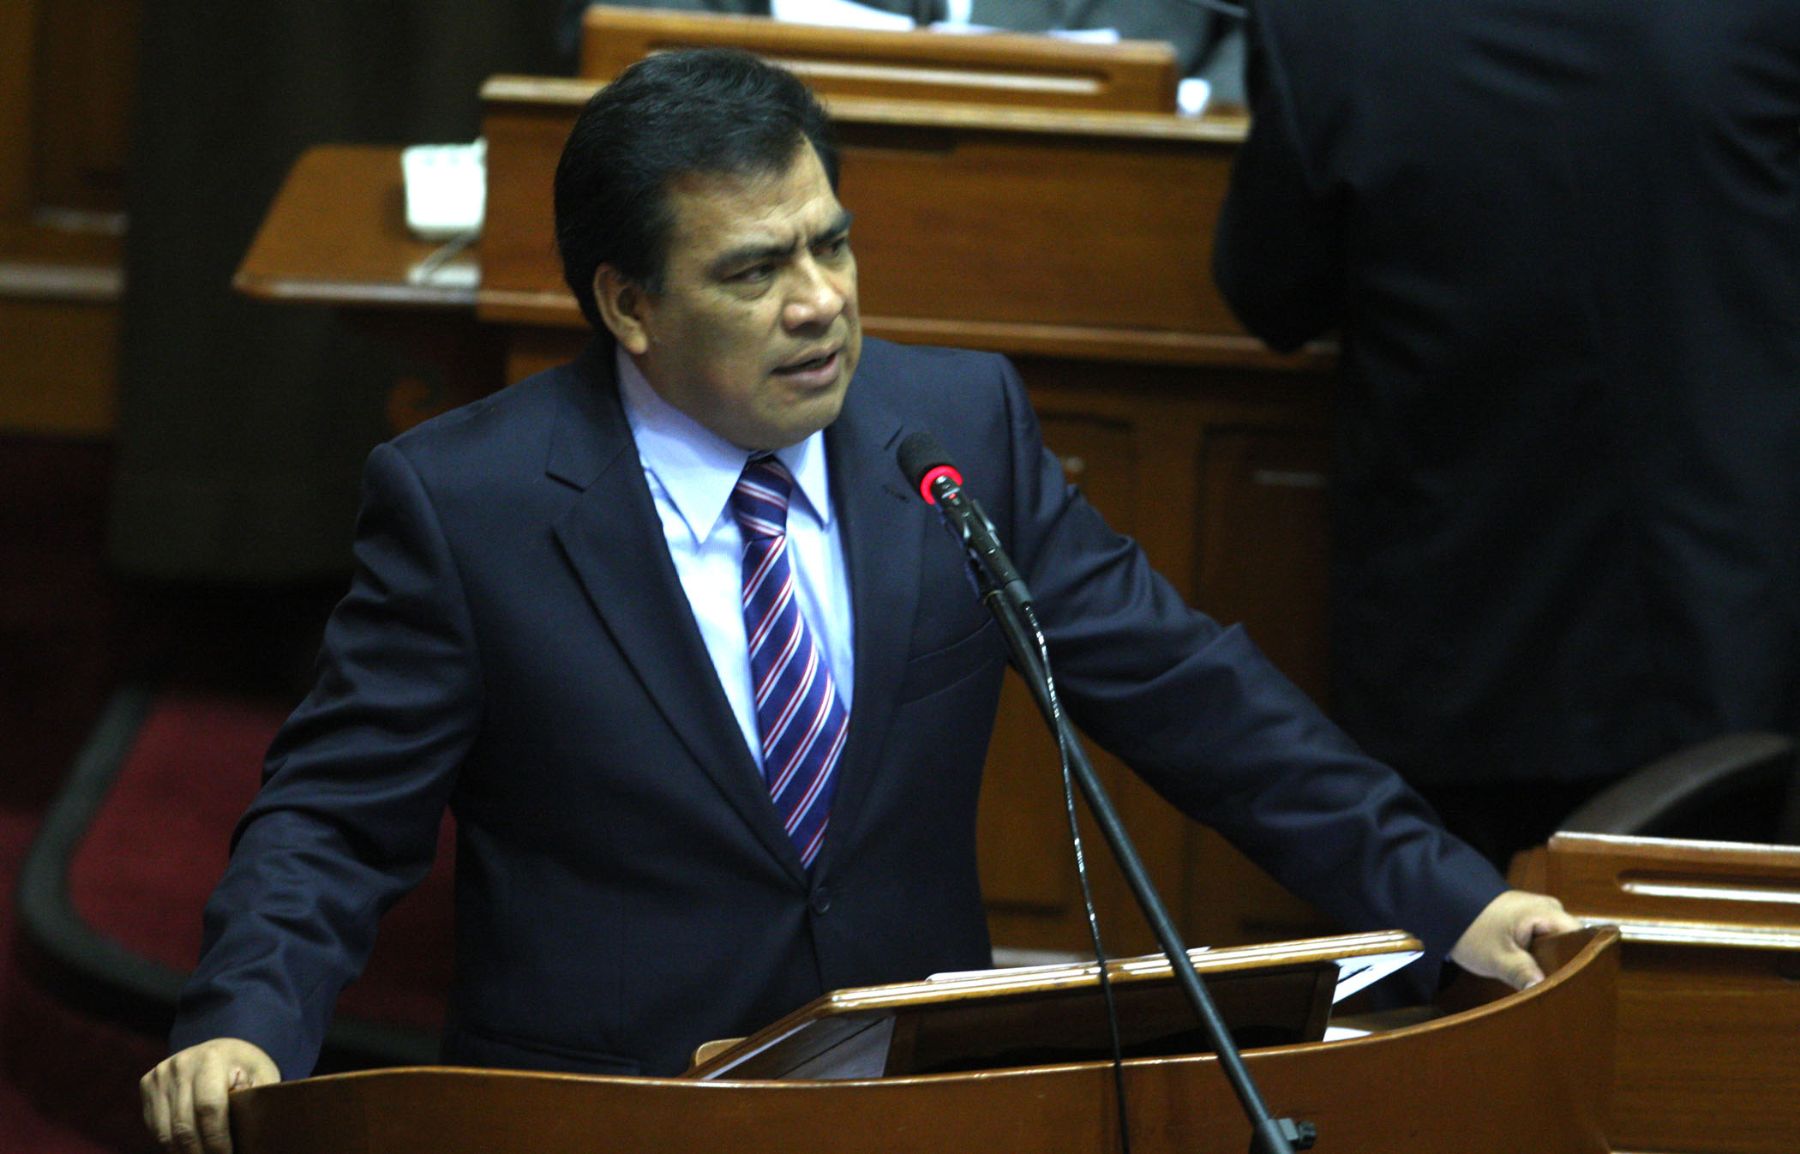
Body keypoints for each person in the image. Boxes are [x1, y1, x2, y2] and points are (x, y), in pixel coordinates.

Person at [142, 48, 1575, 1154]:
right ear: (628, 304)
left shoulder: (953, 431)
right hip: (614, 1112)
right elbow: (334, 818)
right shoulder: (475, 505)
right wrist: (247, 1022)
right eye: (756, 270)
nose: (821, 301)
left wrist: (1446, 895)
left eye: (831, 244)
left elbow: (1188, 689)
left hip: (917, 1100)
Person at [1214, 2, 1800, 866]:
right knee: (1719, 979)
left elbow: (1270, 295)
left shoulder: (1328, 25)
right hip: (1729, 625)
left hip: (1461, 637)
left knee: (1474, 980)